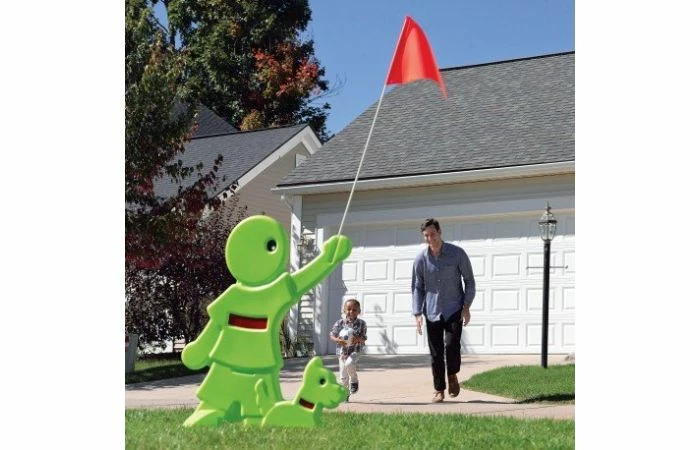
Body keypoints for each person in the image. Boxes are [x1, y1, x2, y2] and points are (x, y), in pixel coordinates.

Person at [412, 218, 475, 403]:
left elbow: (469, 281)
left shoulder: (457, 254)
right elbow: (417, 287)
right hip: (431, 311)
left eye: (432, 234)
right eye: (426, 235)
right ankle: (439, 389)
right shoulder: (421, 259)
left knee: (451, 345)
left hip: (454, 308)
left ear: (440, 232)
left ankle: (452, 374)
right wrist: (417, 313)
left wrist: (466, 306)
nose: (430, 238)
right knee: (436, 353)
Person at [329, 298, 367, 401]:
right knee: (343, 375)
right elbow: (332, 335)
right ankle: (344, 395)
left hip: (355, 350)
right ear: (344, 310)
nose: (351, 311)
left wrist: (357, 339)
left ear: (359, 311)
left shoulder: (362, 323)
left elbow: (364, 338)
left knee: (349, 363)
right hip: (342, 352)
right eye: (349, 309)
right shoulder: (339, 323)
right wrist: (337, 340)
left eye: (354, 310)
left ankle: (354, 380)